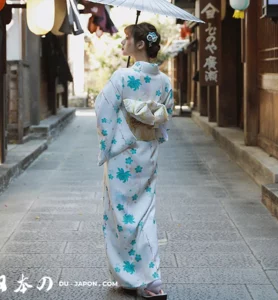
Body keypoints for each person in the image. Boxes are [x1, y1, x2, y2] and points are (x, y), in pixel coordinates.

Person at [94, 22, 174, 299]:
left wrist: (110, 137)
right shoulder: (164, 81)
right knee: (145, 214)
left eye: (127, 38)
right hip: (147, 152)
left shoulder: (122, 77)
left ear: (140, 45)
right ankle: (152, 281)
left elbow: (102, 108)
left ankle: (128, 277)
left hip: (121, 154)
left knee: (120, 217)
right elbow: (166, 116)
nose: (122, 43)